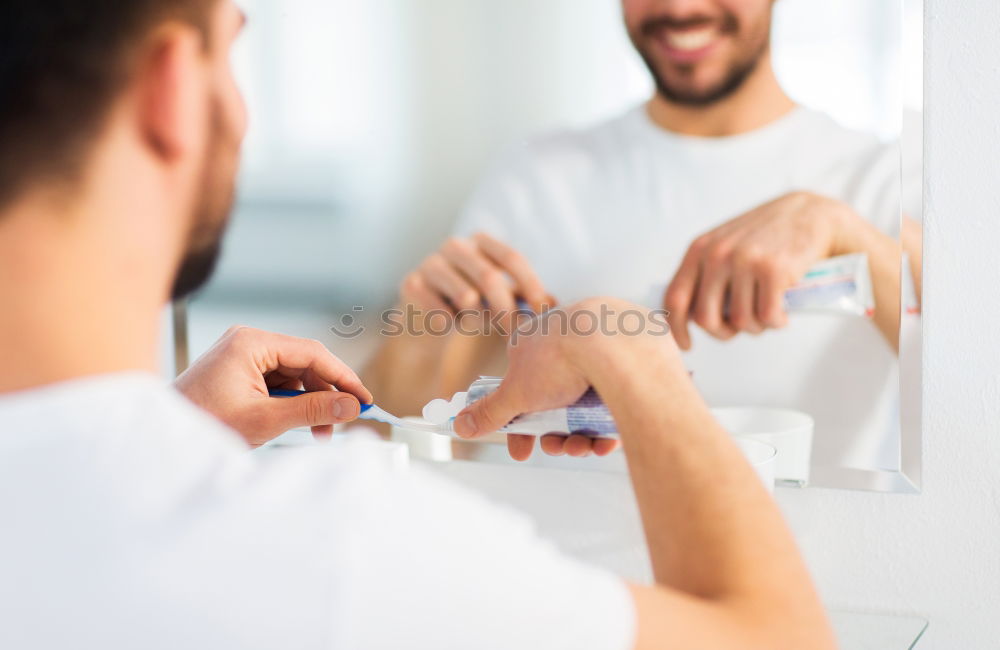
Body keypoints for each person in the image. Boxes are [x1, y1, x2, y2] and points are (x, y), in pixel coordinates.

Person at [0, 0, 838, 648]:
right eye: (234, 44)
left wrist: (178, 430)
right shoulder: (338, 550)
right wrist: (631, 352)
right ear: (173, 87)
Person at [364, 0, 923, 468]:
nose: (679, 9)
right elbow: (394, 441)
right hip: (551, 581)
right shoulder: (537, 175)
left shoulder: (881, 181)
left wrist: (847, 235)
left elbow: (974, 389)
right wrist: (418, 332)